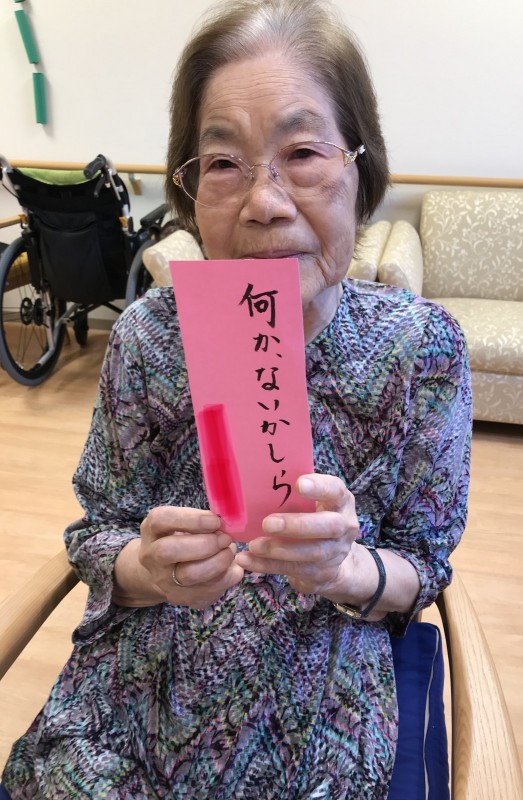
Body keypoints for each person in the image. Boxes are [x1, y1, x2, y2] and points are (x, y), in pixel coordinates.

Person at [2, 1, 472, 798]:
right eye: (224, 163)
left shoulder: (423, 351)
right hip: (136, 695)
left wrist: (345, 568)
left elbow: (423, 565)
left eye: (303, 152)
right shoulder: (150, 336)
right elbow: (96, 532)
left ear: (362, 172)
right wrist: (149, 569)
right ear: (189, 191)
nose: (265, 202)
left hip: (323, 704)